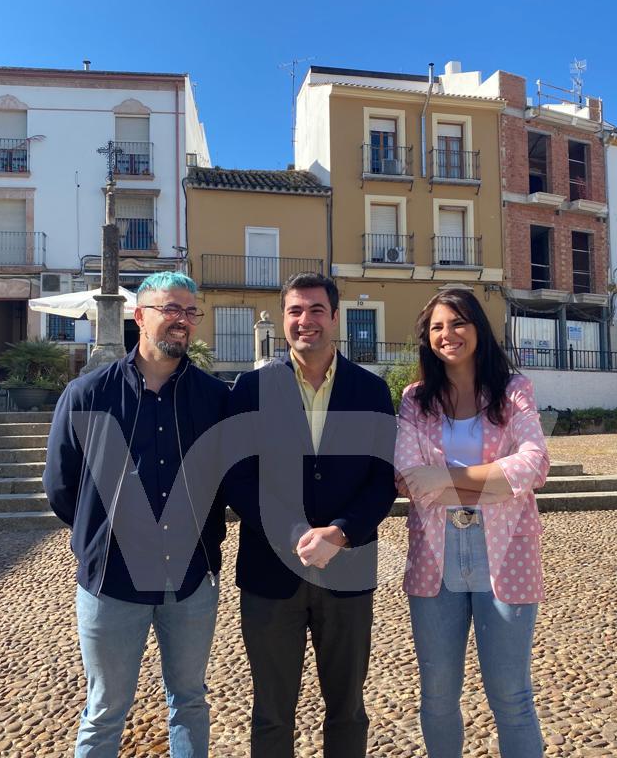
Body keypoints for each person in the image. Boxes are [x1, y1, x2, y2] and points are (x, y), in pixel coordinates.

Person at [43, 272, 228, 758]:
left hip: (190, 580)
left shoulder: (216, 399)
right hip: (111, 580)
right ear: (140, 316)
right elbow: (61, 485)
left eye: (190, 311)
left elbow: (230, 477)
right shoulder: (87, 394)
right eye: (171, 309)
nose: (182, 320)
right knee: (105, 709)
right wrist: (106, 535)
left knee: (190, 701)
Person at [224, 272, 397, 758]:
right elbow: (237, 476)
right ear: (283, 319)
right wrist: (296, 532)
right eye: (295, 311)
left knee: (347, 709)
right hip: (270, 573)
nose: (306, 320)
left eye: (317, 309)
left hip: (348, 571)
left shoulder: (370, 391)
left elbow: (383, 479)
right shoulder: (251, 389)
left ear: (335, 317)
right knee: (271, 712)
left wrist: (340, 533)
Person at [395, 288, 549, 758]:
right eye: (438, 326)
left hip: (506, 551)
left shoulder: (513, 390)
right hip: (434, 555)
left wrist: (444, 478)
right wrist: (496, 484)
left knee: (512, 696)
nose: (448, 334)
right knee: (438, 696)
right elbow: (408, 479)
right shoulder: (415, 399)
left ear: (478, 327)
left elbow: (534, 465)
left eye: (458, 322)